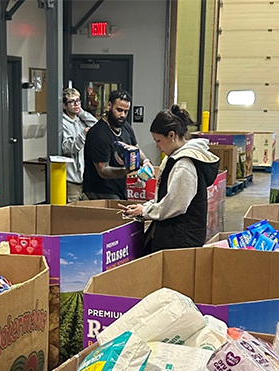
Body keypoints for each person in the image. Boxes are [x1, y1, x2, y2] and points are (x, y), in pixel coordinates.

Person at [122, 106, 220, 251]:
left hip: (181, 239)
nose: (157, 146)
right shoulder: (174, 158)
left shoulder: (184, 165)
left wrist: (145, 211)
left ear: (172, 135)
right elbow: (165, 199)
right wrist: (145, 208)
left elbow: (174, 205)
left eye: (158, 140)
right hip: (176, 235)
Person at [83, 89, 151, 200]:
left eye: (126, 111)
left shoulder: (126, 127)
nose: (122, 115)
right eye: (119, 110)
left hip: (119, 188)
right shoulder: (99, 134)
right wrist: (127, 170)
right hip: (100, 191)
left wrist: (146, 161)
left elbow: (135, 147)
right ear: (109, 106)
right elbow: (103, 171)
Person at [60, 87, 97, 203]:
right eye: (72, 102)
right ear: (64, 105)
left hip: (83, 178)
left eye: (78, 101)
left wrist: (81, 112)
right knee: (72, 210)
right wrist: (83, 135)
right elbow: (68, 148)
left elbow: (96, 125)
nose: (76, 104)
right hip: (71, 178)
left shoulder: (80, 120)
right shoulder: (63, 123)